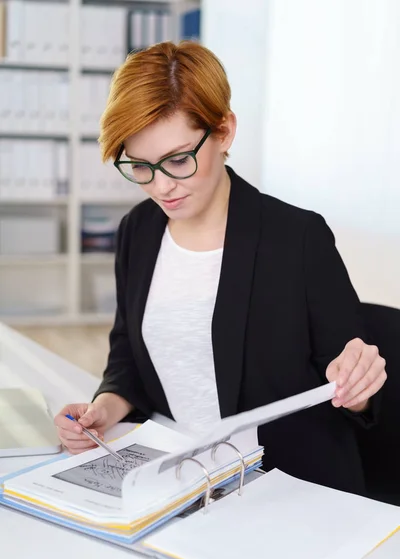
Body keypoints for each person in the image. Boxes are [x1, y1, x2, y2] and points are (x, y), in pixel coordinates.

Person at [54, 41, 387, 495]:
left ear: (224, 131)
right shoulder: (139, 230)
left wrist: (359, 383)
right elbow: (129, 354)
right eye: (140, 166)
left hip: (285, 488)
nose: (162, 186)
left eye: (177, 160)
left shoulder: (297, 238)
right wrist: (105, 410)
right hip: (179, 476)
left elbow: (354, 391)